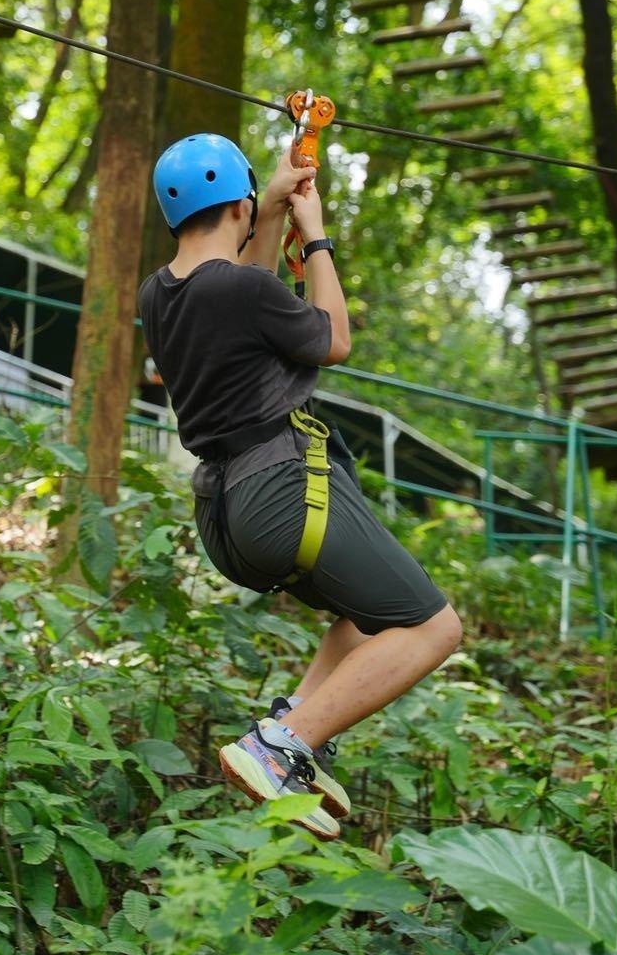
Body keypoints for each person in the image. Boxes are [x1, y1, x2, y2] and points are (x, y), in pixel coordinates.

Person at [138, 131, 462, 841]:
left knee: (370, 617)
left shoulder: (160, 294)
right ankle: (280, 746)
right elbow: (334, 339)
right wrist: (313, 240)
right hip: (284, 489)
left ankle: (291, 733)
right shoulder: (245, 288)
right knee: (436, 627)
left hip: (226, 515)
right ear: (238, 202)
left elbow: (238, 283)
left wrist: (274, 206)